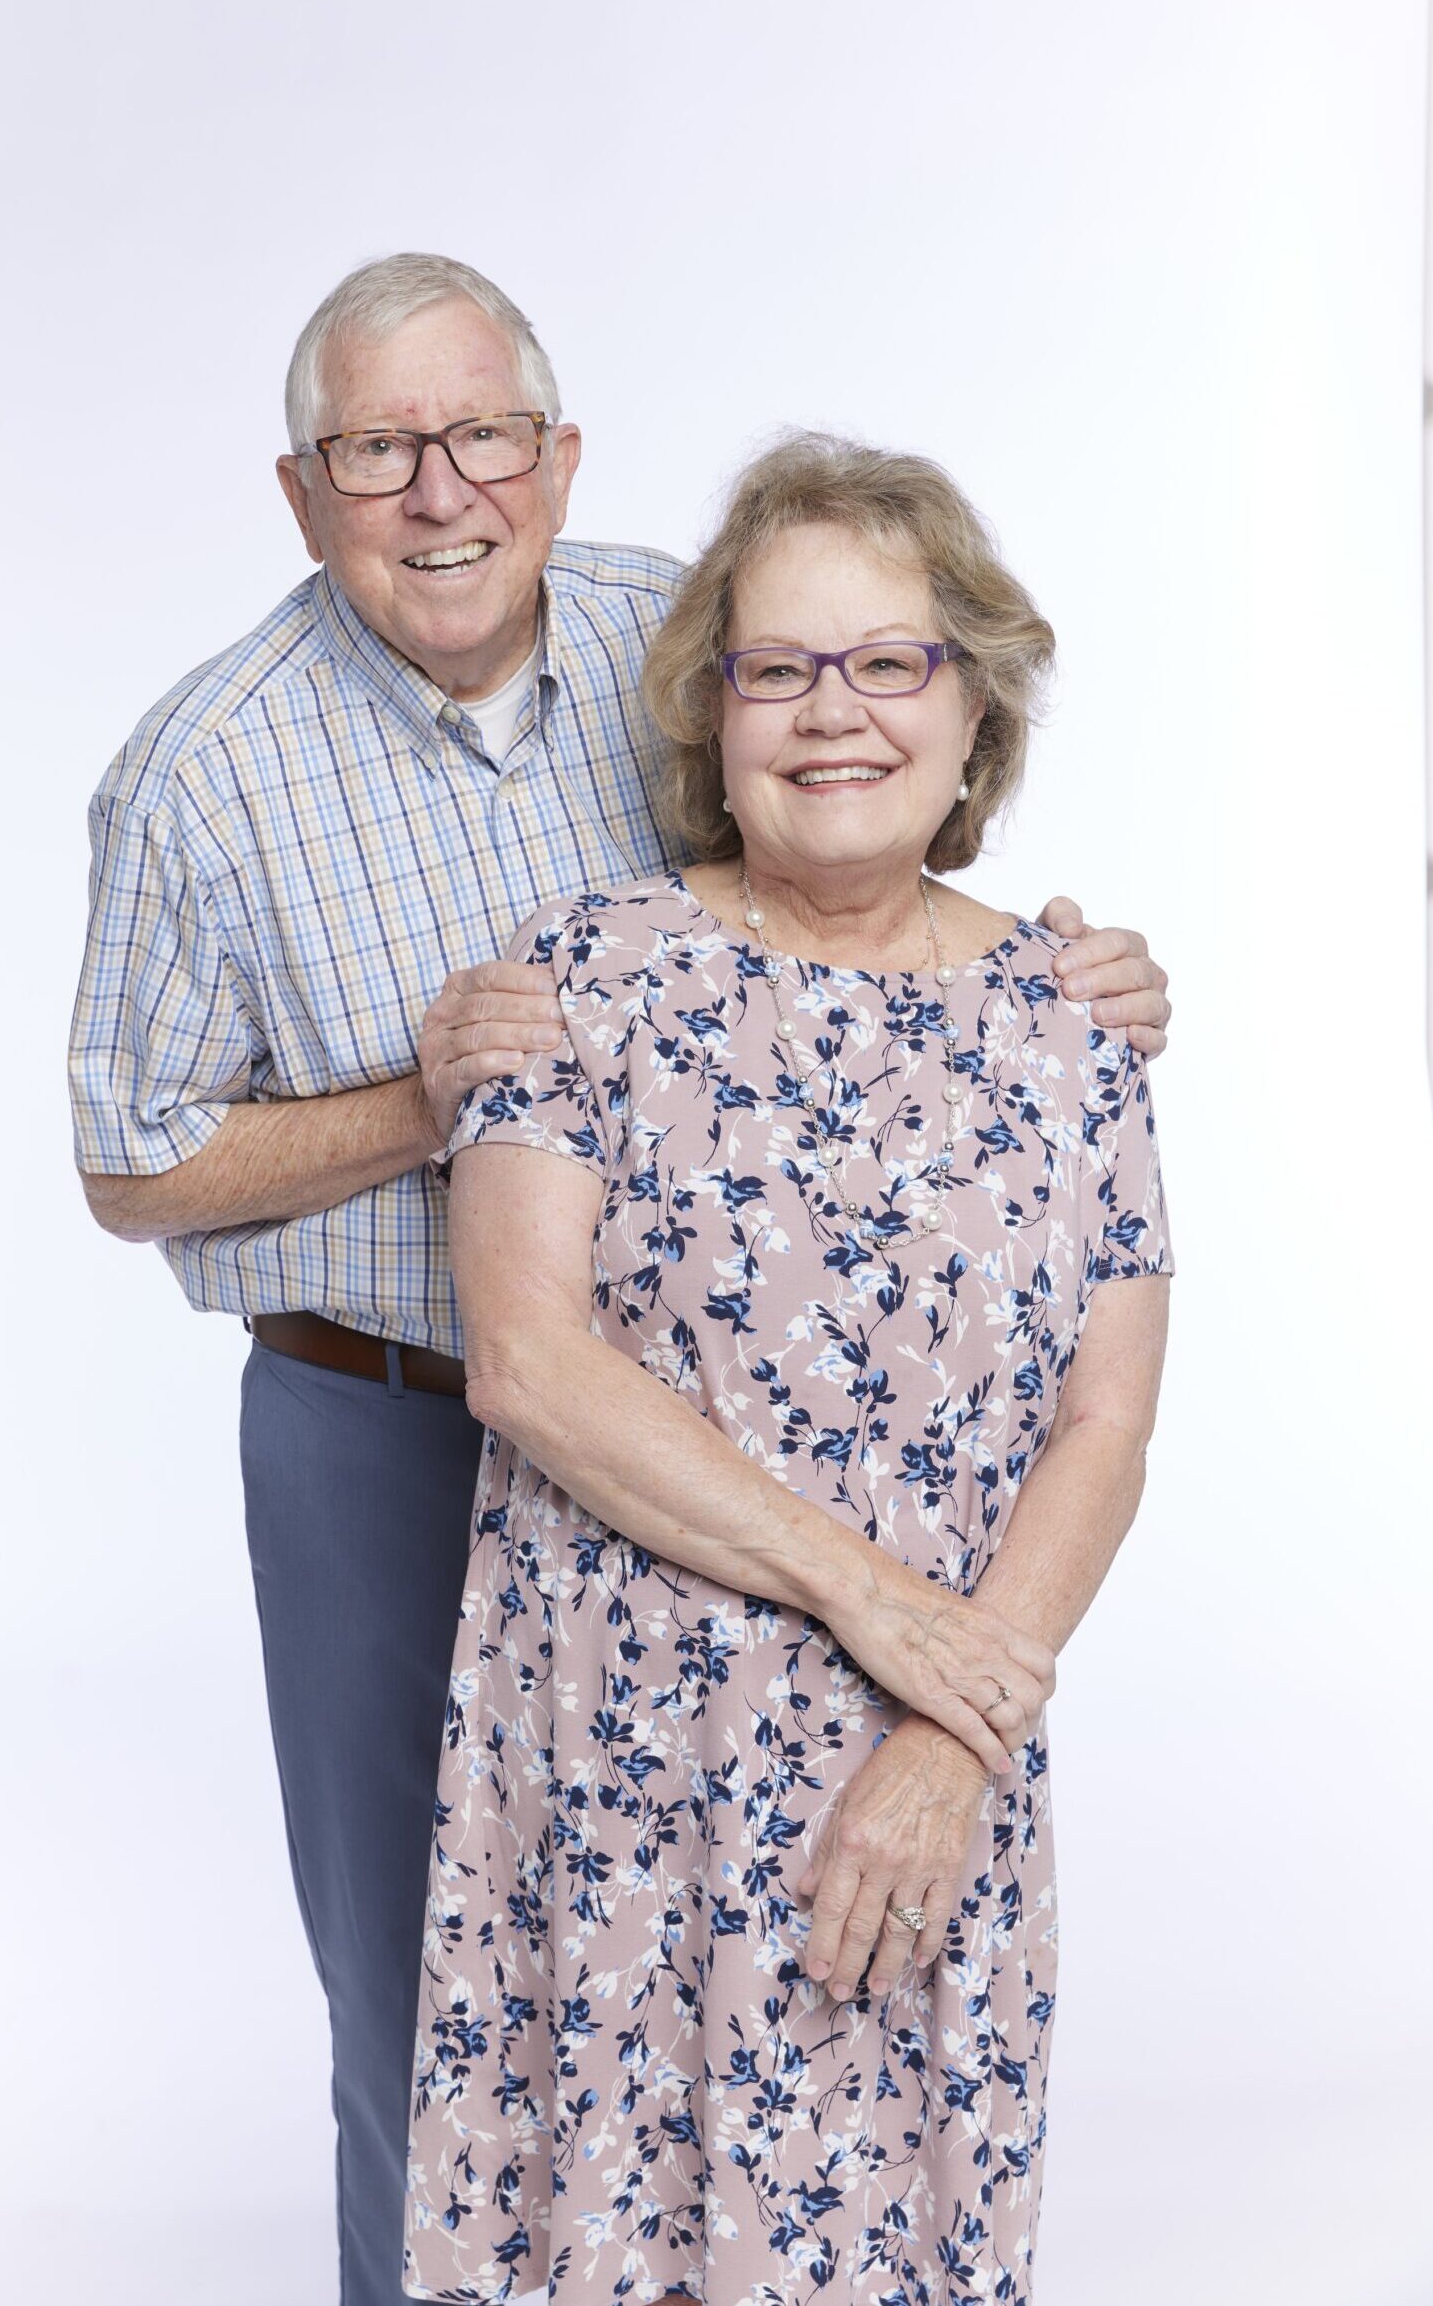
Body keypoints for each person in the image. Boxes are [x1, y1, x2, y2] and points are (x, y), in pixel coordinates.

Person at [67, 255, 1174, 2306]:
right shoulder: (206, 772)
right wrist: (429, 1091)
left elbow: (867, 784)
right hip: (388, 1407)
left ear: (557, 459)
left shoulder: (700, 628)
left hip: (774, 1475)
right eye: (374, 448)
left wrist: (1081, 982)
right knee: (450, 2008)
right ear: (302, 491)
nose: (437, 489)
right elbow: (135, 1165)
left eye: (480, 434)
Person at [404, 434, 1172, 2303]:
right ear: (715, 711)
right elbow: (524, 1359)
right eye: (780, 667)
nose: (835, 714)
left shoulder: (1078, 1023)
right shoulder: (574, 975)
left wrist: (947, 1726)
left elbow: (1109, 1414)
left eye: (890, 661)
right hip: (624, 1782)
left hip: (926, 1785)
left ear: (972, 707)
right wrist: (890, 1611)